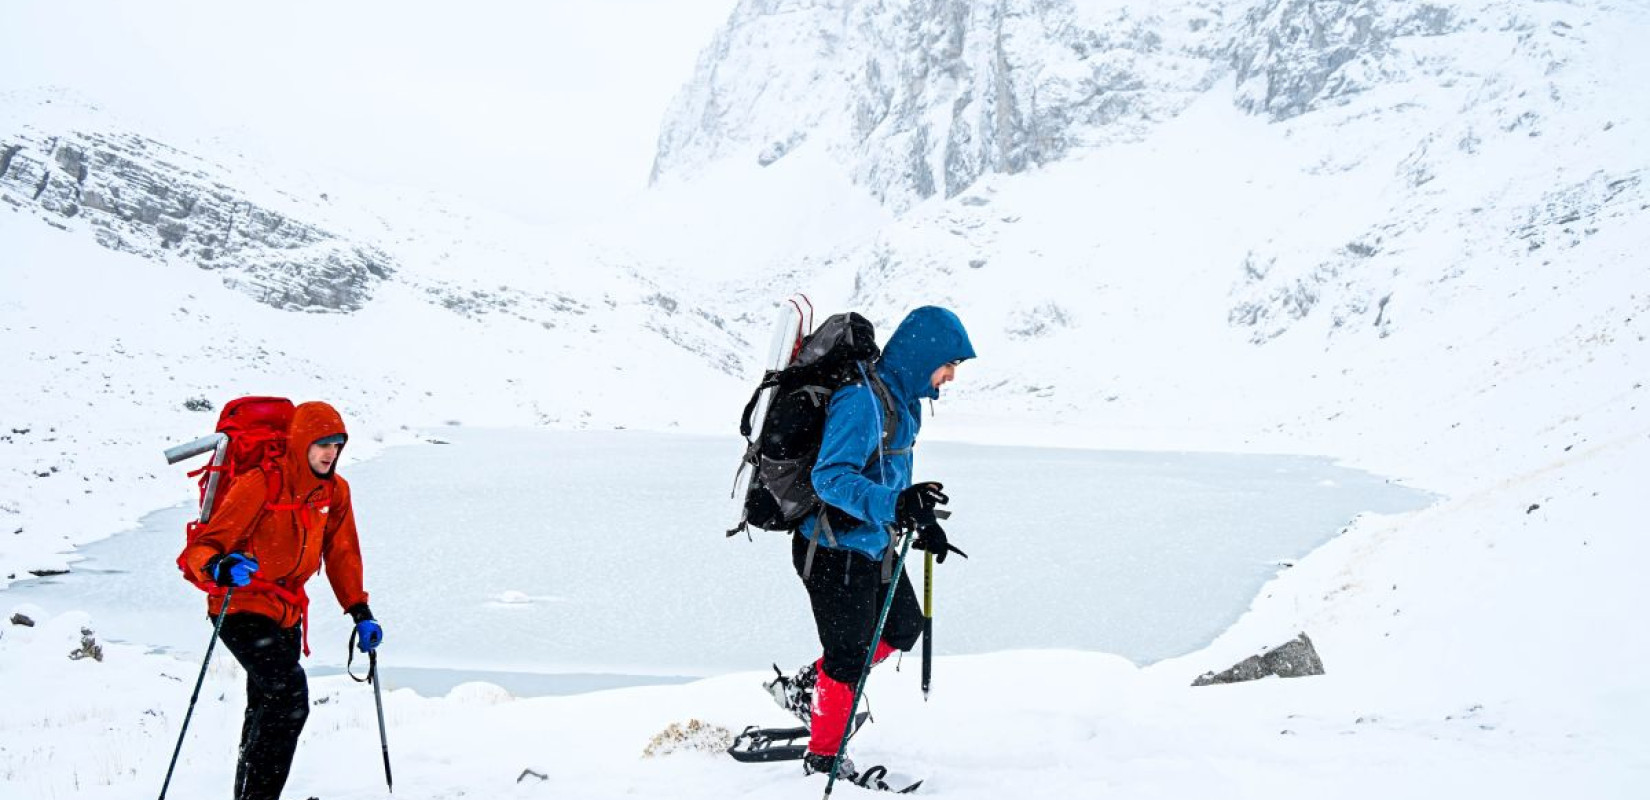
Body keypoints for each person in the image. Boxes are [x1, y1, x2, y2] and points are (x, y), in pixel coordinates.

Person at [766, 306, 975, 780]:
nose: (951, 377)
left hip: (873, 544)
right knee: (848, 658)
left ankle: (808, 689)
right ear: (926, 356)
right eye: (950, 365)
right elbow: (830, 479)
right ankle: (823, 761)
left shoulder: (904, 403)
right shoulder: (861, 399)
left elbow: (888, 474)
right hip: (832, 548)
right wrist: (896, 505)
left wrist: (919, 519)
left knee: (902, 628)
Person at [179, 401, 382, 800]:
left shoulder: (334, 491)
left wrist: (360, 611)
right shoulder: (261, 482)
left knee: (263, 707)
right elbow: (203, 547)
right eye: (322, 444)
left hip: (286, 612)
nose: (331, 453)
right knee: (289, 695)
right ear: (302, 442)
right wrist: (219, 566)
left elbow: (341, 554)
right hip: (239, 607)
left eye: (338, 445)